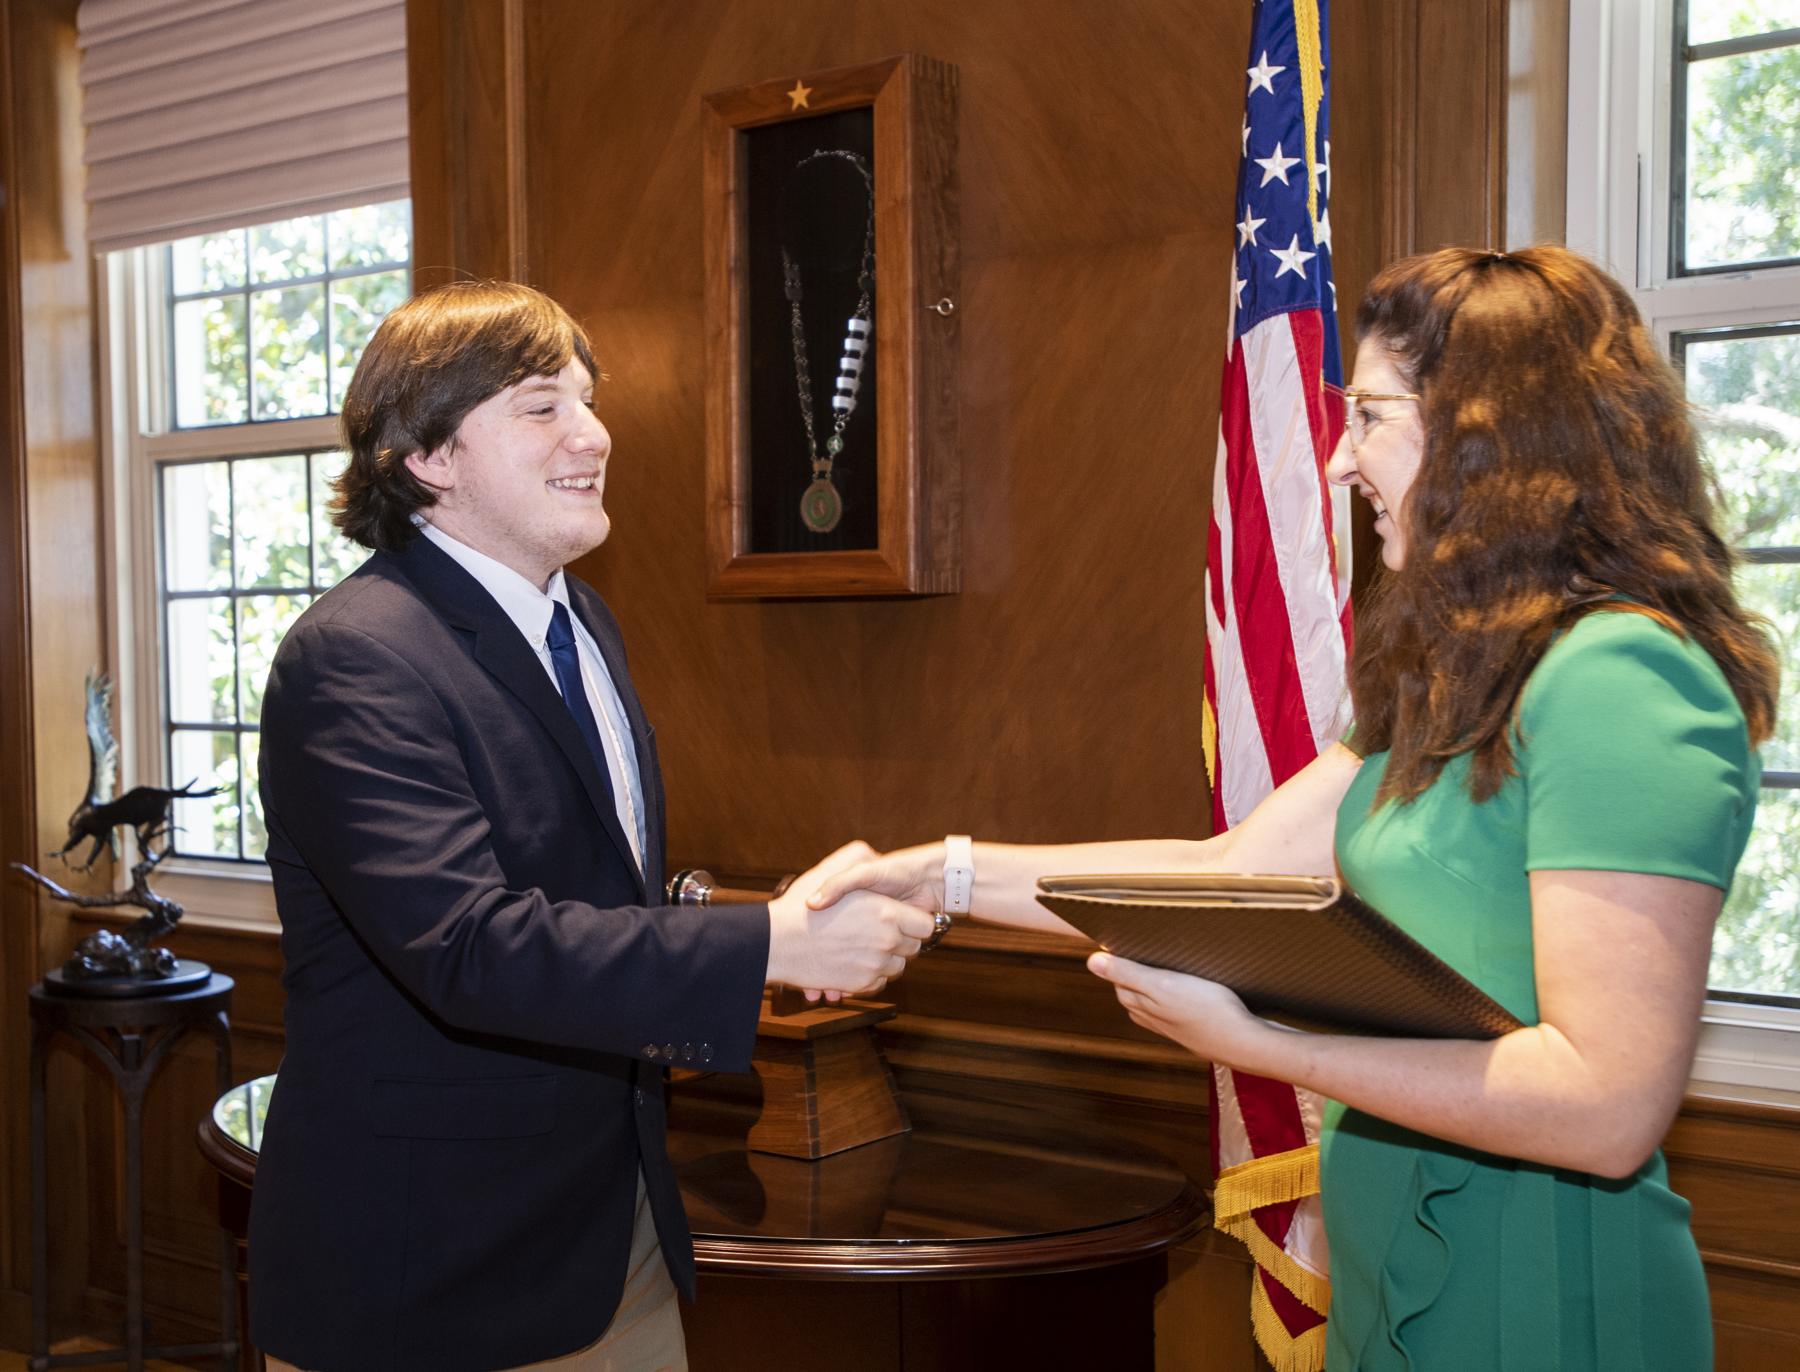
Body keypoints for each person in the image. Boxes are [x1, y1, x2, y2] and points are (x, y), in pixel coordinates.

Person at [811, 246, 1778, 1370]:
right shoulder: (1458, 669)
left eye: (1369, 415)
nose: (1338, 457)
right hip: (1396, 1259)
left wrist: (1266, 1045)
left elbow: (1605, 1108)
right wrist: (938, 873)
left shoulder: (1622, 680)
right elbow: (1234, 868)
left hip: (1540, 1288)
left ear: (1492, 435)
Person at [249, 281, 934, 1372]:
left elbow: (591, 891)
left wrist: (770, 922)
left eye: (588, 398)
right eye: (541, 406)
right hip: (434, 1273)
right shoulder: (356, 656)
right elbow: (469, 945)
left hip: (615, 1229)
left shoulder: (584, 620)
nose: (594, 433)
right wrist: (772, 945)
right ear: (428, 455)